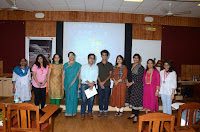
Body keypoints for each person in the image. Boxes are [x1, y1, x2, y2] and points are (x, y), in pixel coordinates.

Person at [125, 53, 144, 123]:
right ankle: (133, 113)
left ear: (139, 59)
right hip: (130, 86)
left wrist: (131, 83)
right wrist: (127, 81)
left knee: (136, 101)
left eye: (137, 58)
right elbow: (128, 74)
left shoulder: (141, 67)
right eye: (134, 58)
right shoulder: (130, 65)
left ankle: (136, 116)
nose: (135, 59)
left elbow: (139, 78)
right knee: (132, 100)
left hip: (137, 86)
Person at [63, 52, 81, 117]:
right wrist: (62, 84)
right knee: (68, 97)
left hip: (75, 84)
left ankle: (74, 112)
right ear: (68, 57)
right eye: (70, 55)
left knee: (74, 97)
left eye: (72, 55)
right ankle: (68, 112)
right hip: (67, 83)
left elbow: (79, 75)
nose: (71, 57)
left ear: (74, 56)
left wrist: (79, 83)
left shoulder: (78, 65)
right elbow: (63, 75)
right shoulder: (65, 65)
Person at [80, 54, 98, 120]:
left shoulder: (96, 67)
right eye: (91, 58)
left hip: (92, 85)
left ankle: (89, 112)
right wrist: (89, 83)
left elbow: (96, 76)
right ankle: (82, 113)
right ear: (88, 59)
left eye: (93, 58)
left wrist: (92, 84)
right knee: (84, 100)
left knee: (91, 100)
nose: (92, 59)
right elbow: (82, 76)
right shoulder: (83, 67)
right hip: (85, 85)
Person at [97, 50, 113, 117]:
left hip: (107, 84)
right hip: (100, 84)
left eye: (105, 55)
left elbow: (110, 75)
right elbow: (96, 74)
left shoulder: (110, 65)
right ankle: (100, 110)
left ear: (107, 56)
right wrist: (100, 82)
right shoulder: (98, 65)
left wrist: (103, 82)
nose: (104, 56)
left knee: (106, 98)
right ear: (101, 56)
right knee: (100, 98)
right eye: (103, 55)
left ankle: (105, 110)